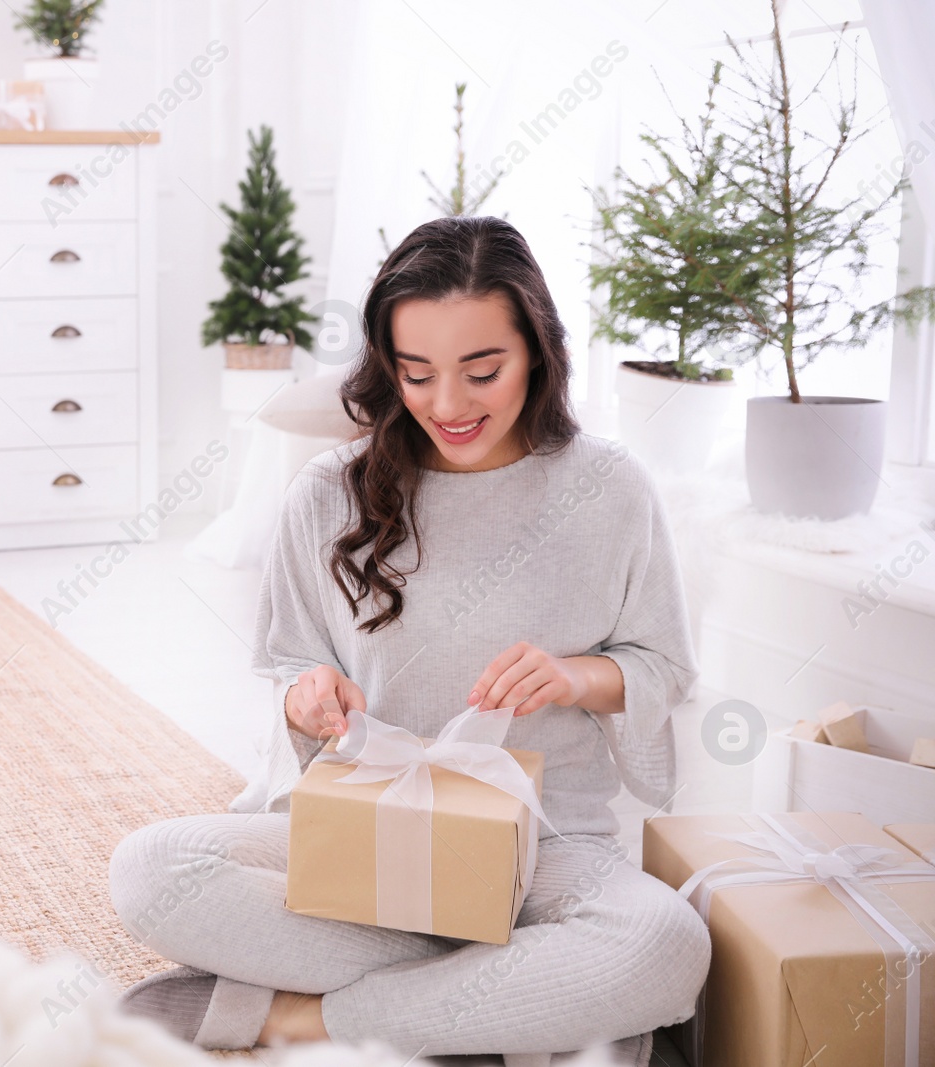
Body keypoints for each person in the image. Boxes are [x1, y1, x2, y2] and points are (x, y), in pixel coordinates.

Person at [107, 216, 711, 1061]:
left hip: (546, 849)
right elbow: (289, 654)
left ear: (537, 349)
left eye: (482, 370)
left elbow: (663, 665)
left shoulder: (608, 487)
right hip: (371, 837)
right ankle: (495, 991)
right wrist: (307, 690)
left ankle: (299, 1017)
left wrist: (575, 677)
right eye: (417, 373)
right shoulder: (328, 492)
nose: (449, 406)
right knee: (151, 870)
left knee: (667, 947)